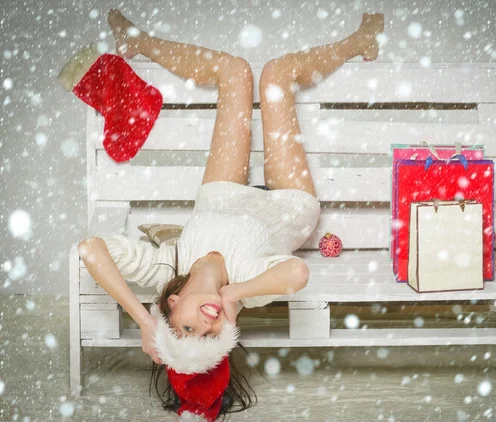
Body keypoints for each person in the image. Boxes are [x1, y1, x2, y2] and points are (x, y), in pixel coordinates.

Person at [77, 9, 384, 421]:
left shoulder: (166, 265)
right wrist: (234, 295)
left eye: (186, 331)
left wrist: (143, 324)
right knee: (276, 75)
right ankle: (357, 41)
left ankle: (138, 40)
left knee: (235, 71)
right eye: (210, 338)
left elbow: (90, 249)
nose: (206, 325)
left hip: (221, 194)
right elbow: (297, 274)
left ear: (172, 303)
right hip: (287, 204)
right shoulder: (245, 286)